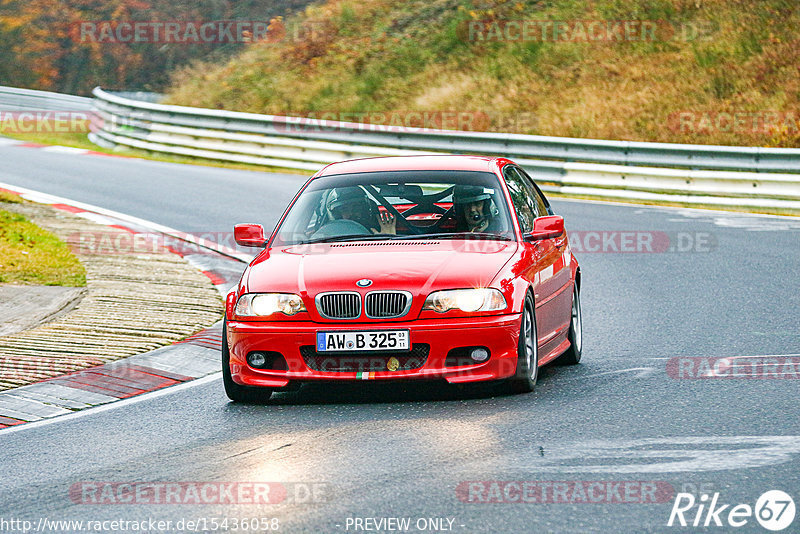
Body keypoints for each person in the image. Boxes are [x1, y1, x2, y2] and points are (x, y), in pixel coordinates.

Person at [327, 187, 396, 234]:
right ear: (337, 214)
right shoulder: (326, 237)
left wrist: (388, 240)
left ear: (364, 211)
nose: (351, 213)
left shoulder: (378, 232)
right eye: (345, 209)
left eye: (356, 208)